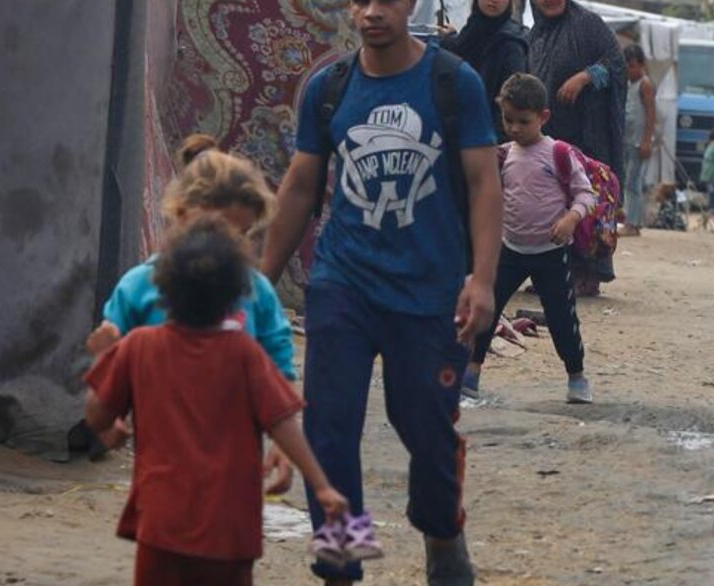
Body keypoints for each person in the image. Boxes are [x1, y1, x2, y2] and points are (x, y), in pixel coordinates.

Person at [260, 0, 501, 582]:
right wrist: (257, 279)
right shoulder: (329, 88)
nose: (372, 12)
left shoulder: (452, 82)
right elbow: (299, 188)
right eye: (361, 1)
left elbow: (483, 181)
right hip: (343, 281)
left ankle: (442, 532)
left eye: (386, 0)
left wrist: (485, 280)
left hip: (428, 291)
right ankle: (341, 559)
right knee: (328, 426)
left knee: (424, 427)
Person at [86, 220, 353, 586]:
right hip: (231, 525)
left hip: (163, 520)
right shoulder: (245, 352)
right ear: (235, 297)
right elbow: (282, 419)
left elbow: (97, 415)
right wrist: (320, 484)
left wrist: (103, 360)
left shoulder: (139, 347)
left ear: (163, 288)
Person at [83, 145, 299, 494]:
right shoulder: (139, 287)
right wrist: (110, 420)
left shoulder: (255, 290)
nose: (228, 247)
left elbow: (280, 370)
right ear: (181, 213)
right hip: (161, 471)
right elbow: (108, 370)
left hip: (235, 471)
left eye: (240, 235)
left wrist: (284, 447)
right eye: (219, 231)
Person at [466, 73, 597, 404]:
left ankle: (577, 377)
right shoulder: (504, 154)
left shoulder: (559, 154)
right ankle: (471, 374)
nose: (514, 128)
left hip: (550, 254)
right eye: (508, 120)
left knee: (561, 319)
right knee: (486, 311)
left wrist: (570, 218)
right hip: (509, 249)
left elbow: (586, 195)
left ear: (543, 117)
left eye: (523, 121)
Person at [528, 0, 626, 297]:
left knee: (587, 202)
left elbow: (616, 65)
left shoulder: (587, 24)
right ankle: (556, 273)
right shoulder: (536, 35)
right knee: (554, 204)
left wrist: (585, 77)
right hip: (554, 138)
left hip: (590, 137)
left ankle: (588, 274)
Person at [441, 0, 528, 136]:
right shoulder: (470, 32)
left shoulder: (511, 45)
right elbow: (461, 49)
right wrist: (449, 39)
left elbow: (511, 104)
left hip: (486, 137)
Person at [622, 44, 658, 236]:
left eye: (633, 66)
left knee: (633, 183)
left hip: (638, 141)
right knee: (628, 181)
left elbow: (651, 113)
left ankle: (633, 224)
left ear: (642, 65)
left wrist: (646, 140)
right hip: (627, 140)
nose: (630, 70)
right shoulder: (628, 83)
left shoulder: (645, 84)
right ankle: (631, 220)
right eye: (627, 66)